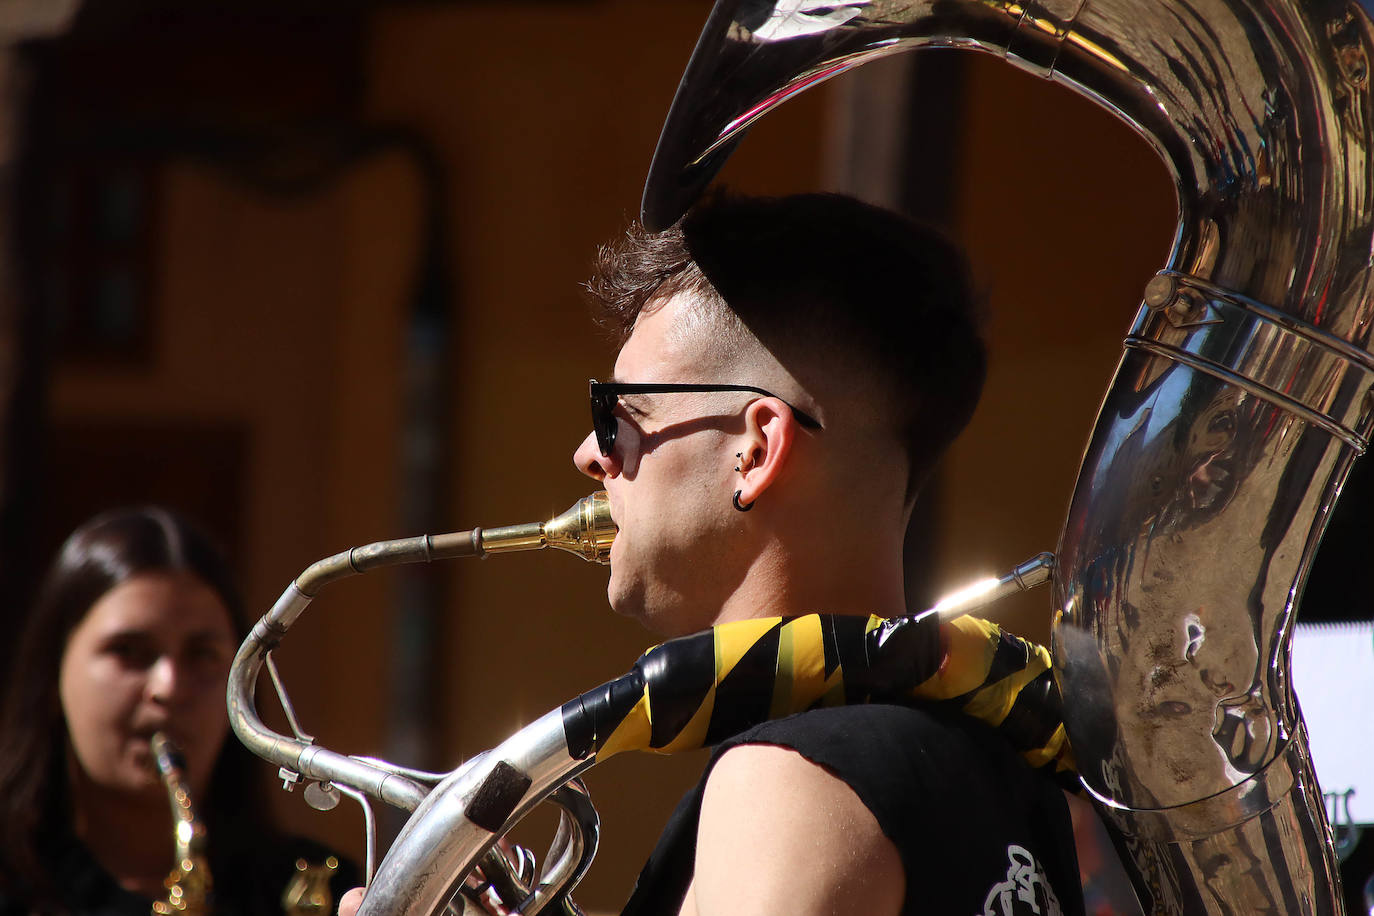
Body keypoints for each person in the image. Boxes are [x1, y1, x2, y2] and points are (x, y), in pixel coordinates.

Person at [339, 191, 1089, 916]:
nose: (587, 456)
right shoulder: (1015, 775)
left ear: (756, 449)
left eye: (622, 414)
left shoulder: (785, 784)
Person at [0, 507, 357, 916]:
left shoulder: (321, 890)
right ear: (52, 673)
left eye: (202, 655)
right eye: (129, 651)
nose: (168, 687)